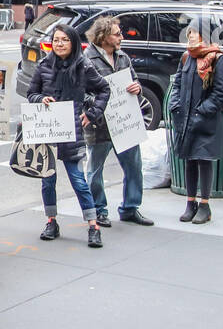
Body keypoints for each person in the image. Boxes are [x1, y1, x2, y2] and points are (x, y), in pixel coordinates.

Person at [27, 23, 110, 248]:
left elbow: (104, 89)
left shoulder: (83, 65)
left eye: (64, 40)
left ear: (72, 42)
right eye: (56, 40)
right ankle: (51, 221)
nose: (59, 44)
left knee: (78, 181)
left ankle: (93, 225)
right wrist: (39, 100)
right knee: (47, 181)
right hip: (48, 130)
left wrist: (92, 113)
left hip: (72, 130)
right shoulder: (44, 65)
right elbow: (31, 93)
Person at [83, 16, 153, 227]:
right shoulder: (87, 59)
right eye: (117, 34)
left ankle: (130, 207)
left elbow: (134, 81)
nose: (121, 37)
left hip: (125, 122)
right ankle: (99, 209)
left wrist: (137, 88)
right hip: (100, 125)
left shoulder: (123, 57)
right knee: (95, 170)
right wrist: (99, 104)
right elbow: (81, 93)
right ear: (103, 36)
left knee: (133, 166)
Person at [170, 25, 223, 225]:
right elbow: (177, 83)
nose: (190, 37)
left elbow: (222, 92)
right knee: (189, 159)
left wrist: (202, 110)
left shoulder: (217, 58)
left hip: (205, 119)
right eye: (189, 34)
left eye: (194, 33)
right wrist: (175, 104)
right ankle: (190, 203)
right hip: (186, 118)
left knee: (203, 159)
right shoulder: (186, 57)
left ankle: (205, 205)